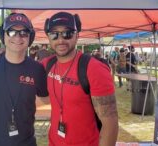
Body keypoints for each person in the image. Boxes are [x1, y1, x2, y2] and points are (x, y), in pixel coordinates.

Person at [41, 12, 118, 146]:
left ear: (77, 35)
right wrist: (1, 54)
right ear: (48, 37)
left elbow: (110, 125)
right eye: (54, 34)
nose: (60, 40)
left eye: (67, 33)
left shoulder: (94, 69)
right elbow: (18, 64)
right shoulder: (47, 64)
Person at [0, 13, 48, 146]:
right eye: (12, 32)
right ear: (4, 35)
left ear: (30, 38)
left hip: (25, 142)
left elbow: (47, 98)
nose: (18, 37)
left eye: (24, 33)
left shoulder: (37, 69)